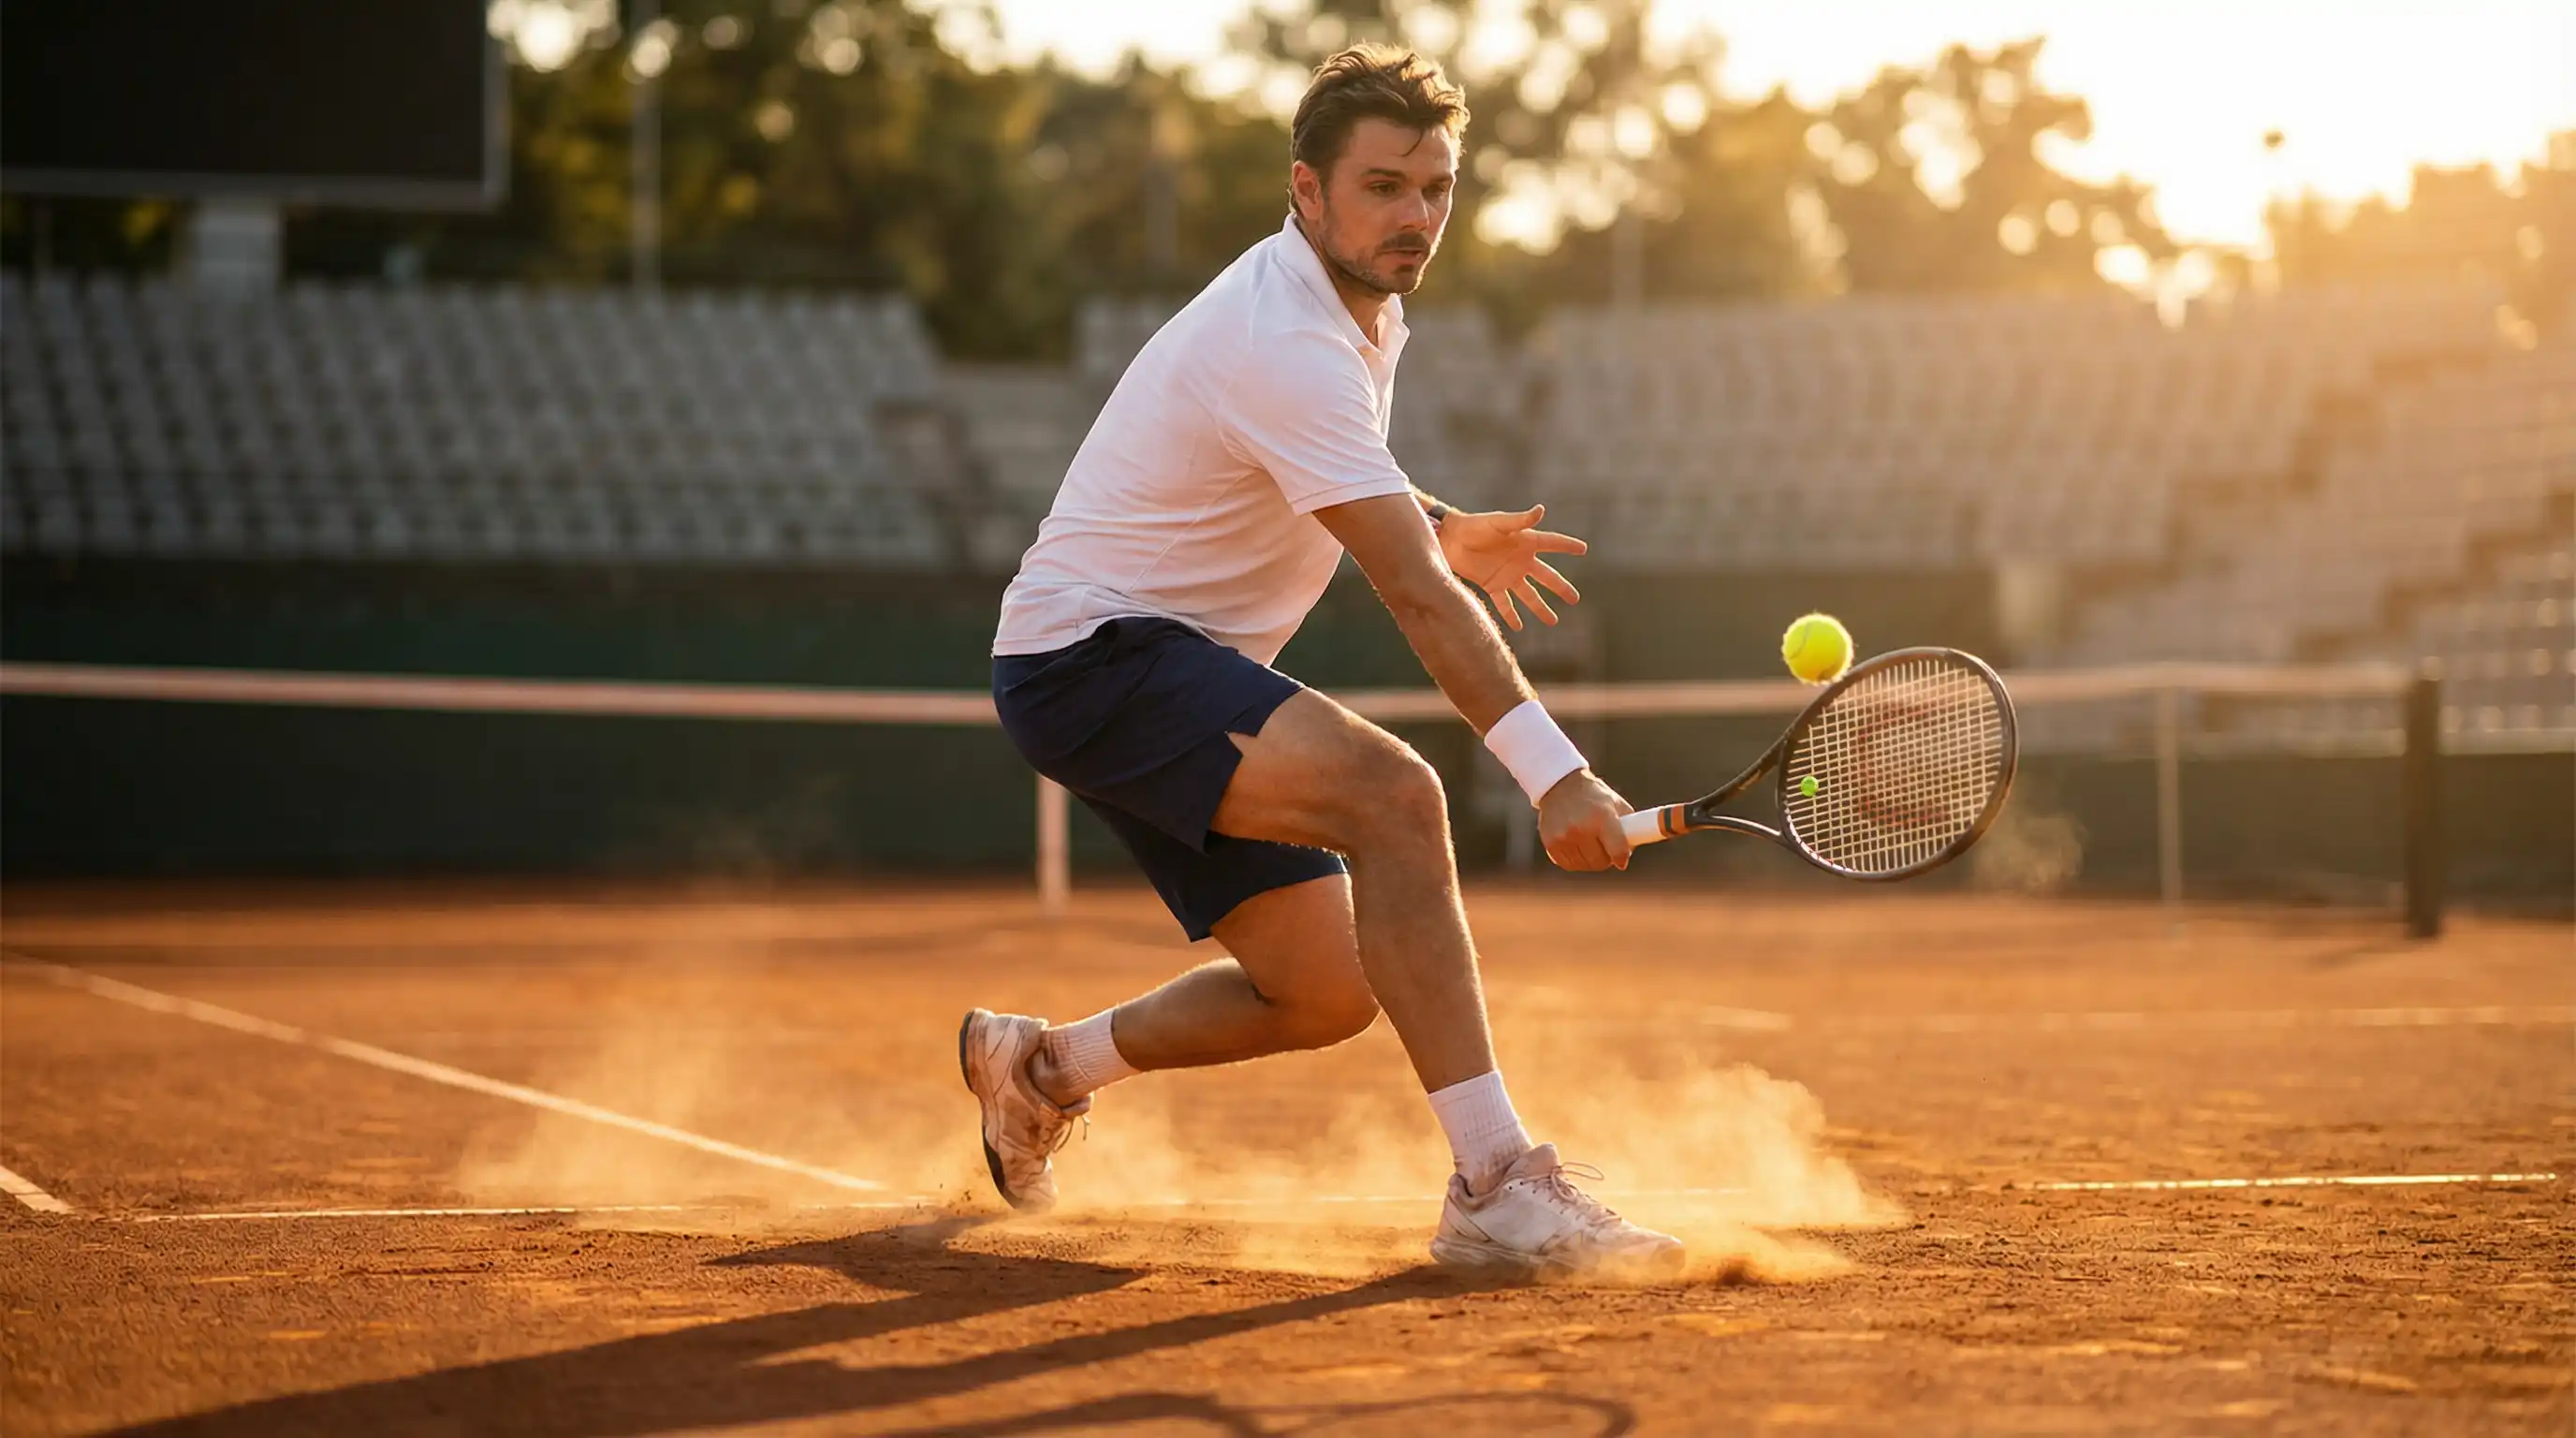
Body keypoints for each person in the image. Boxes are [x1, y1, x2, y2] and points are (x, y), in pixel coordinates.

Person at [963, 43, 1682, 1283]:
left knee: (1324, 994)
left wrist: (1439, 519)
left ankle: (1038, 1072)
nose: (1416, 217)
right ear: (1308, 191)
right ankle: (1497, 1186)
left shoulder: (1357, 309)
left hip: (1160, 666)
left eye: (1437, 189)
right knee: (1401, 799)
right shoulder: (1286, 333)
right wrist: (1556, 775)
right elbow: (1411, 592)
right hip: (1094, 659)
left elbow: (1348, 484)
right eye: (1385, 186)